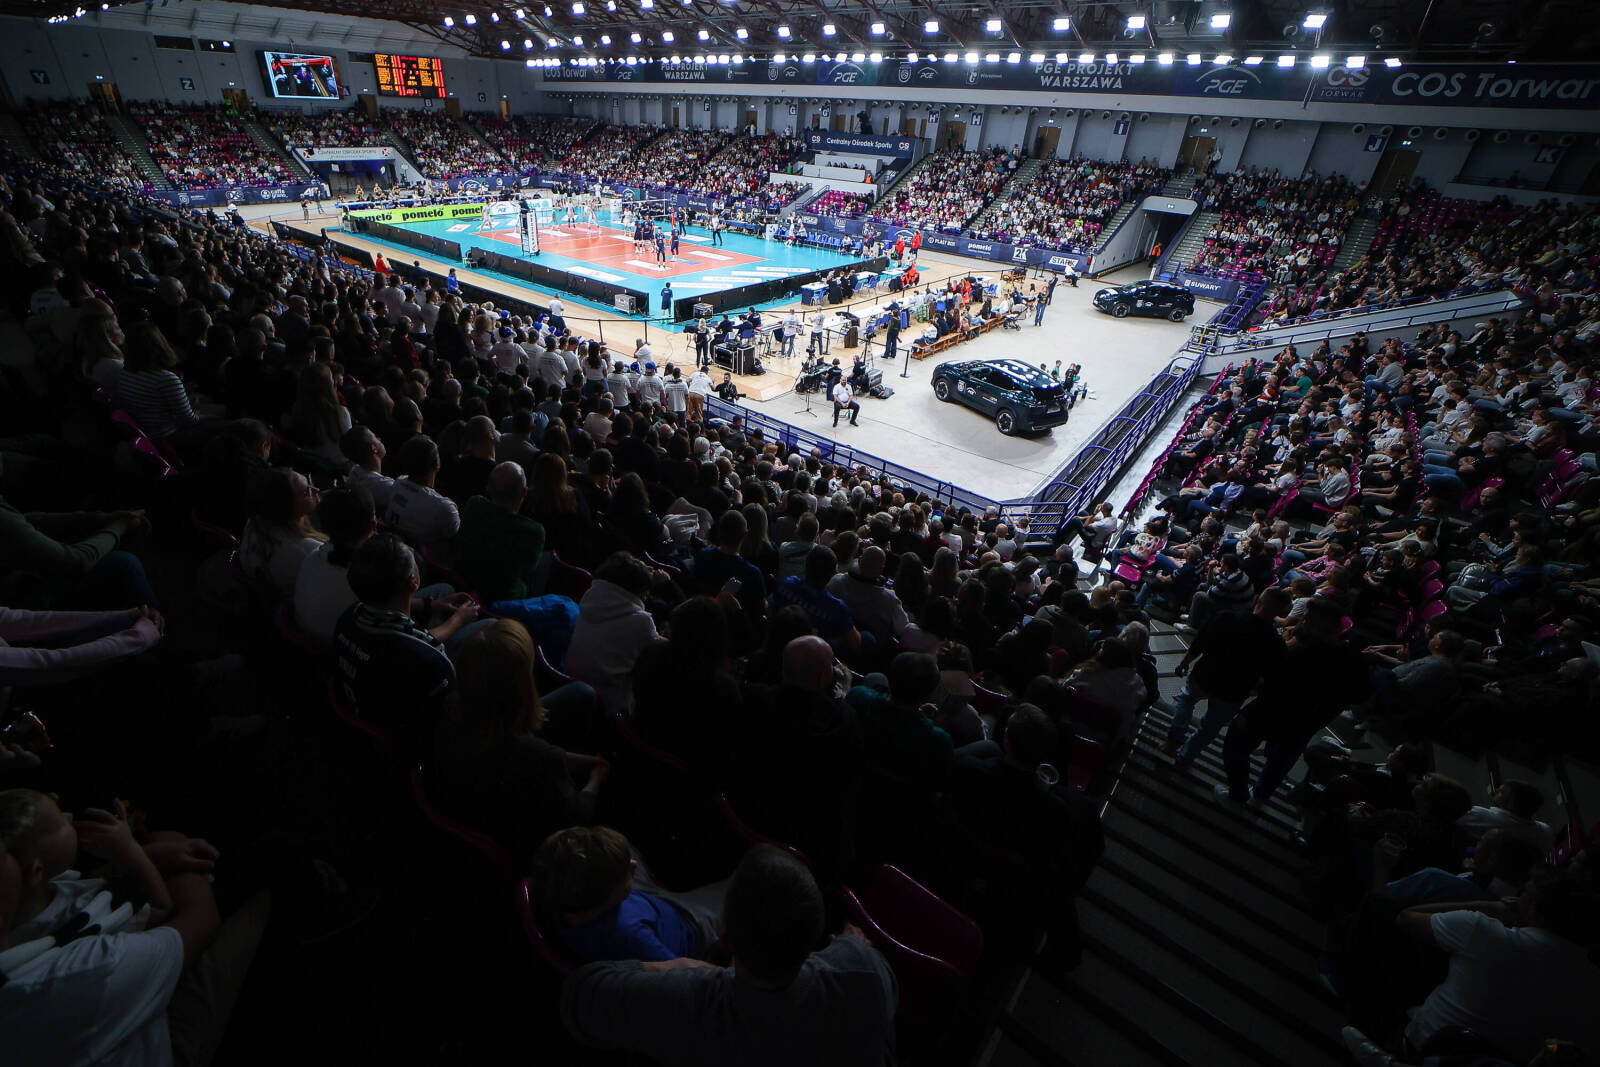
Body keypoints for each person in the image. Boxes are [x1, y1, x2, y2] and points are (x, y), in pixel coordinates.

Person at [561, 844, 896, 1065]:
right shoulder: (863, 970)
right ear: (812, 940)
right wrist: (850, 947)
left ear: (725, 940)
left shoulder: (690, 999)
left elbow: (579, 994)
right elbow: (870, 973)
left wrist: (671, 967)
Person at [333, 533, 481, 746]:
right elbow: (423, 645)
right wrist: (459, 620)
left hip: (369, 699)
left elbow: (412, 638)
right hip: (414, 737)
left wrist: (433, 605)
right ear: (413, 581)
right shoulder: (430, 661)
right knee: (489, 626)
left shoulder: (350, 615)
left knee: (444, 590)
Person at [530, 825, 722, 964]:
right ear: (607, 896)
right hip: (691, 929)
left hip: (648, 903)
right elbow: (684, 975)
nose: (633, 864)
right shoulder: (630, 936)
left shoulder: (559, 894)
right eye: (626, 871)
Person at [1164, 588, 1290, 767]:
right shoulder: (1276, 644)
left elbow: (1200, 642)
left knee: (1186, 699)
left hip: (1205, 675)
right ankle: (1185, 757)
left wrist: (1184, 663)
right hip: (1233, 692)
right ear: (1281, 612)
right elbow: (1272, 677)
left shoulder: (1227, 617)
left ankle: (1173, 738)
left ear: (1257, 599)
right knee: (1210, 728)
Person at [453, 462, 546, 605]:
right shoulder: (534, 531)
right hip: (504, 602)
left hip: (463, 586)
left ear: (488, 488)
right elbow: (528, 570)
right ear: (524, 493)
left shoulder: (474, 505)